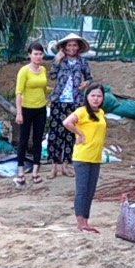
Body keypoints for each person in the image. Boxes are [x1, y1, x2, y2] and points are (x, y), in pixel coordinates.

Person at [45, 33, 93, 178]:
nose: (72, 48)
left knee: (70, 135)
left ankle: (65, 166)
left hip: (75, 102)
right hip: (59, 101)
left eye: (74, 45)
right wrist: (56, 60)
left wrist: (86, 83)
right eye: (69, 45)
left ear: (78, 48)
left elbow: (89, 78)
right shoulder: (60, 60)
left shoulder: (82, 62)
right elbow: (52, 76)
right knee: (55, 134)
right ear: (64, 48)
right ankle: (53, 167)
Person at [62, 82, 108, 233]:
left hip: (95, 157)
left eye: (99, 96)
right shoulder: (81, 111)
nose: (96, 99)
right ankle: (80, 222)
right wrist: (80, 134)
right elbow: (67, 122)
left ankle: (86, 220)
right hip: (82, 156)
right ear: (87, 97)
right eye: (93, 95)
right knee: (82, 190)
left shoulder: (100, 113)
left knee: (90, 190)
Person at [13, 40, 51, 186]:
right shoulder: (24, 71)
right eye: (35, 54)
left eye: (40, 54)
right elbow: (19, 92)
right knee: (23, 140)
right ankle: (21, 171)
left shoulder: (43, 70)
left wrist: (55, 91)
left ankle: (35, 170)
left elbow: (43, 88)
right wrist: (19, 112)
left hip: (40, 109)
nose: (38, 57)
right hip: (26, 109)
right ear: (30, 55)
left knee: (38, 139)